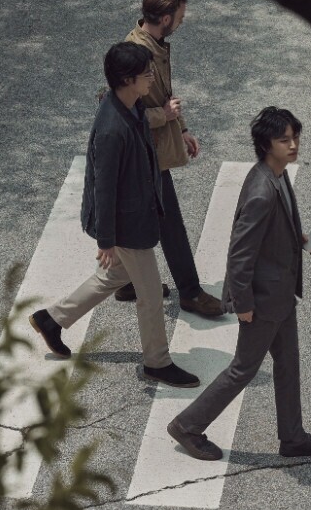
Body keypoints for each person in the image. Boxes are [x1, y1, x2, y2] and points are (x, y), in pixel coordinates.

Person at [167, 107, 311, 458]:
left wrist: (300, 239)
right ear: (266, 145)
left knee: (288, 363)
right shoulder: (262, 190)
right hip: (262, 300)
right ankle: (187, 426)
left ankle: (293, 437)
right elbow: (240, 254)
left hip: (280, 295)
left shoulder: (276, 174)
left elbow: (273, 232)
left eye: (295, 137)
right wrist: (243, 304)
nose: (293, 145)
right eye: (284, 140)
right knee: (243, 369)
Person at [29, 42, 199, 388]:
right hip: (126, 224)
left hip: (135, 215)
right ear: (126, 79)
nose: (152, 77)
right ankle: (156, 362)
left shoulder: (131, 105)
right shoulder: (111, 129)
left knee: (115, 275)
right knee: (150, 294)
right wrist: (106, 240)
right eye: (146, 73)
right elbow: (103, 189)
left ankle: (52, 320)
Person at [114, 0, 223, 317]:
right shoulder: (136, 53)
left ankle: (127, 280)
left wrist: (183, 128)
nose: (182, 21)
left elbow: (164, 94)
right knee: (170, 222)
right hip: (144, 153)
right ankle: (190, 292)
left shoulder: (155, 45)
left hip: (151, 148)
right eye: (180, 16)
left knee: (140, 215)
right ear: (165, 18)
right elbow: (119, 111)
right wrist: (165, 116)